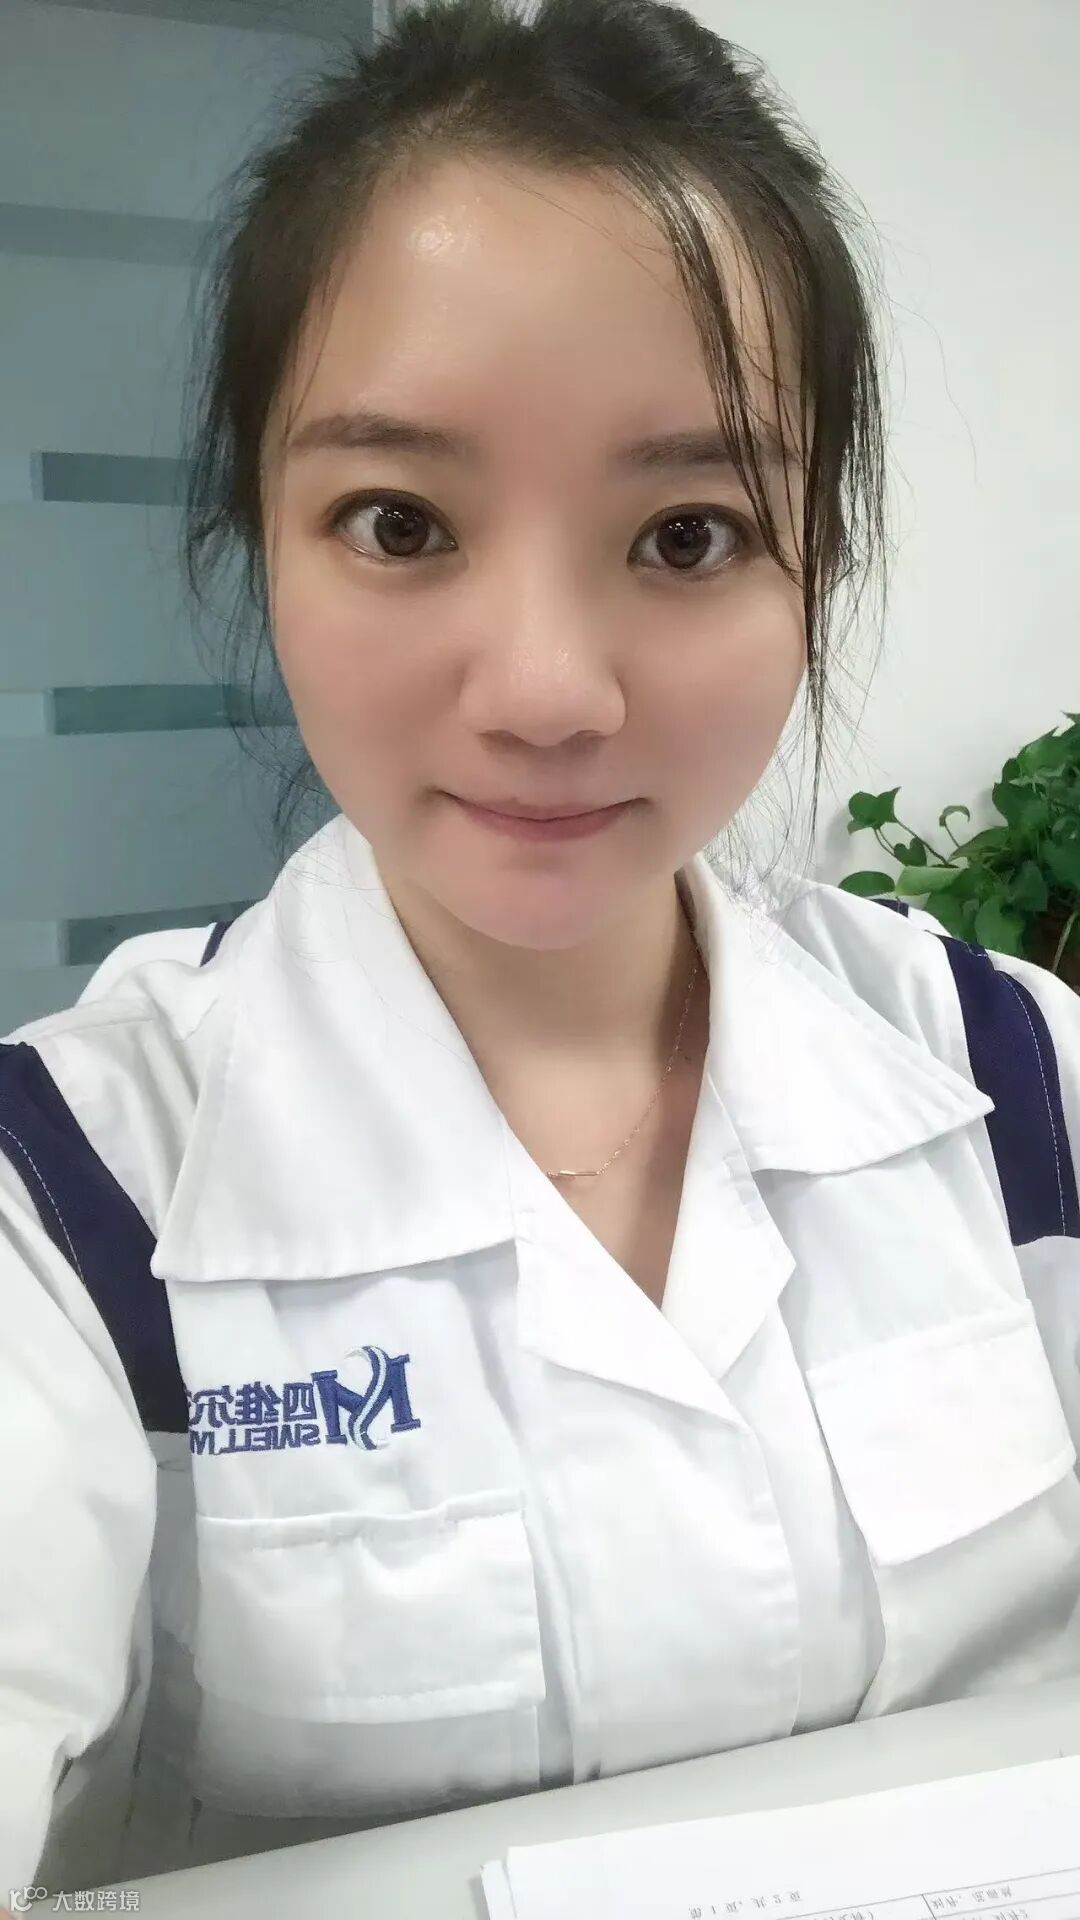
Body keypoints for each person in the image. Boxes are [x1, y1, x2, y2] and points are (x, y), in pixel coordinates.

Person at [2, 0, 1079, 1903]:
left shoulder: (1016, 1081)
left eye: (688, 536)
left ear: (815, 566)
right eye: (400, 521)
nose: (549, 693)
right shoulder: (76, 1203)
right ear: (264, 541)